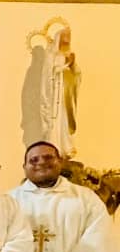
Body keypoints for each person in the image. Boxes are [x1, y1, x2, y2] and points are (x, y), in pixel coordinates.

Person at [40, 26, 79, 158]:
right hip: (54, 93)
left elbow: (77, 74)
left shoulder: (68, 54)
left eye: (69, 36)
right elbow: (48, 73)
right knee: (55, 119)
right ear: (59, 37)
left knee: (64, 119)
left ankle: (66, 146)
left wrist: (72, 63)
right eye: (65, 36)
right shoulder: (51, 55)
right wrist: (64, 66)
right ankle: (54, 146)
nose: (67, 39)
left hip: (64, 93)